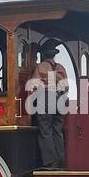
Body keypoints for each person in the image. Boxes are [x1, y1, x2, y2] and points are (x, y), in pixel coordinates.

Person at [27, 39, 69, 169]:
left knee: (45, 130)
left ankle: (50, 162)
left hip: (46, 98)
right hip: (60, 98)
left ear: (44, 55)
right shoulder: (61, 68)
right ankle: (61, 160)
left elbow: (33, 86)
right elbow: (66, 87)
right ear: (54, 55)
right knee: (58, 130)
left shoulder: (40, 67)